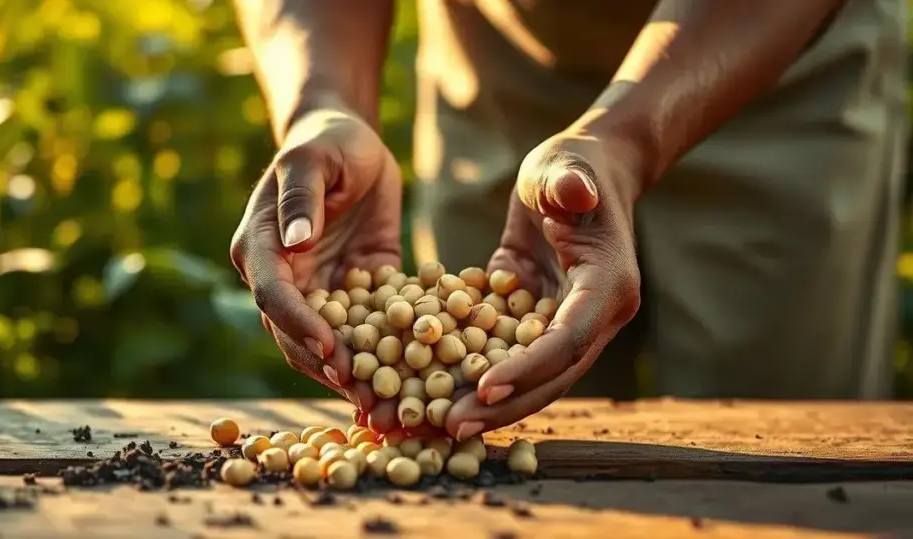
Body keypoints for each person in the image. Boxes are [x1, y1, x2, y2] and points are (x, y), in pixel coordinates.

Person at [228, 0, 909, 441]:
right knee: (491, 418)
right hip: (501, 62)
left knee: (778, 439)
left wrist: (627, 141)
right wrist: (324, 104)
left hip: (772, 56)